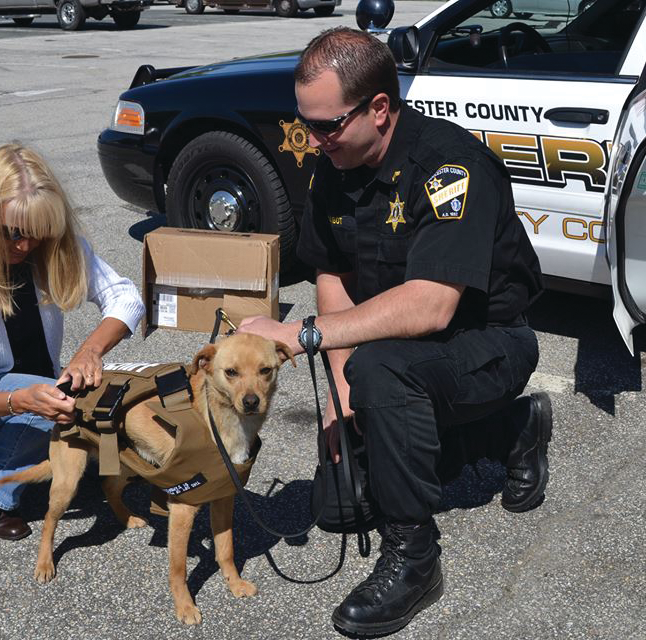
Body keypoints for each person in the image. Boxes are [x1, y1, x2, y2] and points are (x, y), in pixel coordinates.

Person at [238, 27, 552, 636]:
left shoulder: (448, 166)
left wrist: (302, 336)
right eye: (305, 123)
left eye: (326, 124)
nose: (312, 139)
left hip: (488, 343)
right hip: (398, 352)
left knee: (380, 371)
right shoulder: (337, 161)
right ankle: (511, 431)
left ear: (379, 108)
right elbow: (334, 269)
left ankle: (414, 558)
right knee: (336, 506)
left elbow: (432, 306)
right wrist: (342, 398)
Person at [0, 143, 144, 541]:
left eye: (38, 234)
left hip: (26, 379)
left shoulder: (54, 242)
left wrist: (89, 351)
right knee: (53, 403)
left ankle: (104, 475)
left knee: (96, 391)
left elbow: (126, 298)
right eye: (12, 234)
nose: (25, 247)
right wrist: (20, 401)